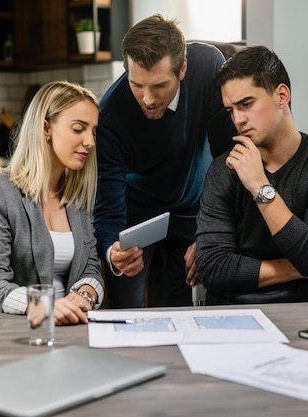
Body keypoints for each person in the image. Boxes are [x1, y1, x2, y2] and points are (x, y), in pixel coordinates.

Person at [195, 45, 308, 305]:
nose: (238, 119)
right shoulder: (223, 168)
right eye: (230, 110)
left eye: (247, 104)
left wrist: (260, 186)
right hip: (234, 317)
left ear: (281, 95)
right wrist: (301, 270)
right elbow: (214, 269)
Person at [94, 14, 237, 308]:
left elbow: (228, 157)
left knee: (186, 308)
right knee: (127, 309)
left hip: (193, 207)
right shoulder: (111, 112)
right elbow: (107, 201)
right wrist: (112, 251)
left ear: (182, 68)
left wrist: (213, 230)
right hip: (137, 214)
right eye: (137, 85)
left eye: (159, 85)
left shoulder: (208, 65)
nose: (147, 99)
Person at [0, 80, 105, 325]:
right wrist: (46, 305)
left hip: (68, 329)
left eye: (93, 131)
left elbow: (90, 267)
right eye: (78, 129)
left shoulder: (78, 197)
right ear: (45, 129)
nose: (90, 142)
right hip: (4, 331)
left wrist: (85, 295)